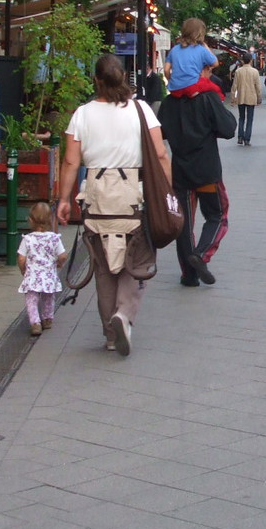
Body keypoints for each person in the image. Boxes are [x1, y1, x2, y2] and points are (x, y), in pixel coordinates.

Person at [57, 55, 171, 355]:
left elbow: (71, 161)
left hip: (95, 196)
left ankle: (110, 334)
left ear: (96, 80)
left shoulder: (82, 114)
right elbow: (159, 154)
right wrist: (167, 192)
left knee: (104, 268)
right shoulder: (141, 110)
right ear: (124, 77)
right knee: (135, 261)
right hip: (131, 195)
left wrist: (63, 200)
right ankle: (124, 315)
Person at [157, 61, 237, 288]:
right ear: (198, 71)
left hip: (180, 171)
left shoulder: (169, 102)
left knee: (184, 223)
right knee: (217, 215)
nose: (210, 74)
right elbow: (229, 128)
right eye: (208, 70)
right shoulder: (207, 98)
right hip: (207, 170)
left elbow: (159, 133)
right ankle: (201, 254)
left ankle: (189, 274)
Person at [16, 201, 66, 337]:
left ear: (30, 220)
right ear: (51, 219)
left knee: (31, 299)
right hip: (49, 275)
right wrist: (59, 263)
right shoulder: (54, 238)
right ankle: (48, 318)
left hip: (32, 275)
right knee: (49, 296)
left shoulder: (28, 239)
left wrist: (22, 269)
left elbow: (21, 258)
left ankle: (35, 323)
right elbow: (62, 255)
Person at [164, 17, 219, 96]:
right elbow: (215, 63)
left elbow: (166, 70)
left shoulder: (174, 50)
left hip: (175, 89)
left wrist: (170, 80)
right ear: (199, 33)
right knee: (216, 89)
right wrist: (206, 46)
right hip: (192, 87)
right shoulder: (201, 50)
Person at [231, 53, 263, 146]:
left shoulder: (238, 71)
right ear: (251, 61)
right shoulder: (255, 72)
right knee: (250, 119)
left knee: (241, 118)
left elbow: (234, 86)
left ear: (242, 61)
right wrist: (259, 98)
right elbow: (258, 87)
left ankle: (240, 137)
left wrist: (233, 98)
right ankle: (247, 139)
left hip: (241, 97)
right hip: (251, 97)